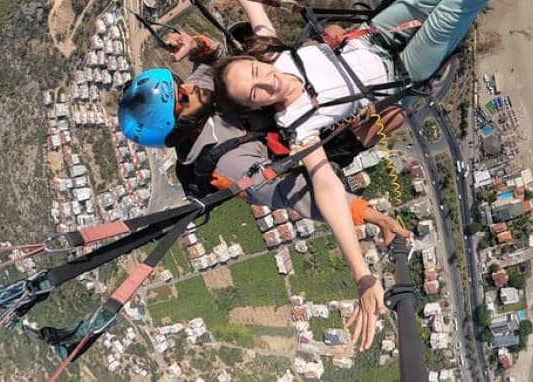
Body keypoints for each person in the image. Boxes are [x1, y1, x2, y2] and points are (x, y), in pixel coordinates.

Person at [207, 0, 533, 336]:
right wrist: (361, 274)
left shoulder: (278, 55)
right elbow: (328, 192)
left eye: (256, 72)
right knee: (456, 8)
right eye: (254, 92)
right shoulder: (296, 123)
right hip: (402, 70)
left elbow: (253, 9)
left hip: (376, 34)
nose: (264, 82)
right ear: (254, 107)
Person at [118, 27, 410, 350]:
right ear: (177, 128)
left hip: (286, 95)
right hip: (304, 149)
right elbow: (297, 193)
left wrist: (195, 44)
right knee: (394, 113)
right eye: (180, 99)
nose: (187, 88)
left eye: (177, 83)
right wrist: (369, 215)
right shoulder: (224, 165)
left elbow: (214, 60)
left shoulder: (197, 92)